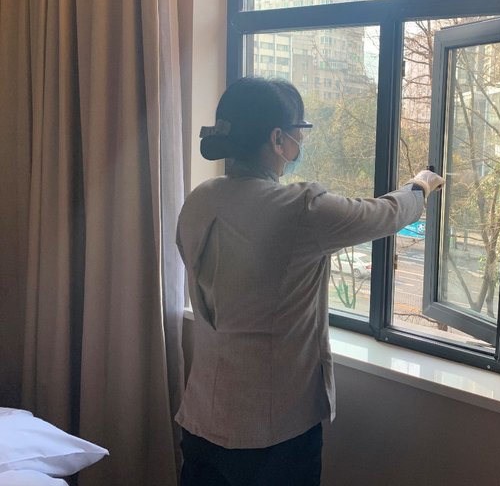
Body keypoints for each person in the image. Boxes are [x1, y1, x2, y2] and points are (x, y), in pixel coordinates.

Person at [176, 77, 444, 486]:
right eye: (298, 131)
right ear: (277, 139)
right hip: (272, 434)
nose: (300, 141)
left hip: (201, 419)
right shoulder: (298, 209)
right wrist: (420, 186)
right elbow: (385, 214)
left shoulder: (199, 198)